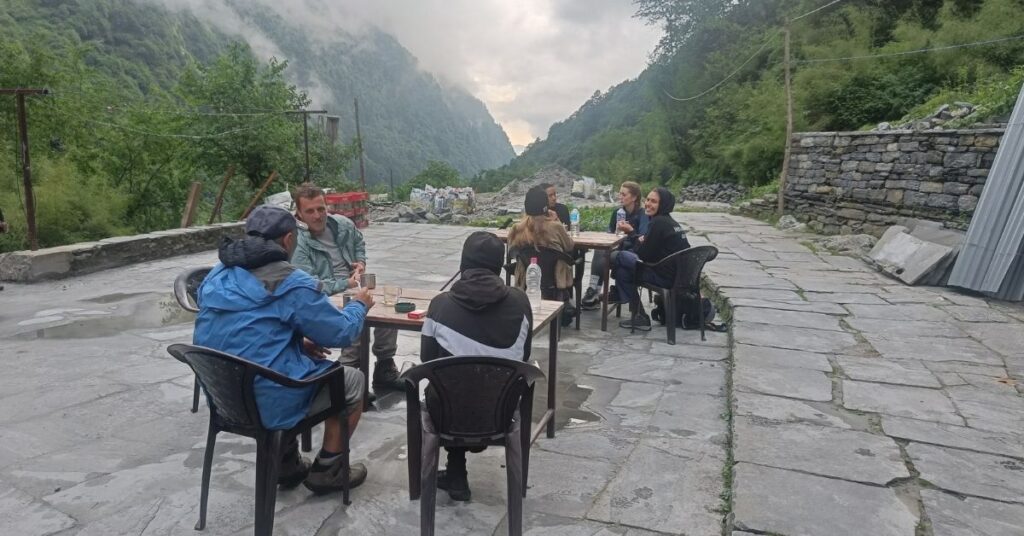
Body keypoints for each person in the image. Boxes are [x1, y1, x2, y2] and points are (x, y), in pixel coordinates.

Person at [193, 205, 375, 493]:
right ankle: (327, 469)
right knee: (352, 381)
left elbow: (243, 326)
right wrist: (359, 305)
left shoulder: (217, 275)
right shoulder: (290, 281)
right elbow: (341, 333)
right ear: (289, 239)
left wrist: (297, 342)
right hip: (267, 400)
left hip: (225, 398)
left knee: (287, 362)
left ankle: (286, 465)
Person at [420, 231, 534, 501]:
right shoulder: (520, 302)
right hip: (500, 412)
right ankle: (457, 471)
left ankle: (456, 470)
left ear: (463, 264)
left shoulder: (439, 305)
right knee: (475, 386)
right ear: (499, 266)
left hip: (447, 415)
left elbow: (427, 359)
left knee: (450, 383)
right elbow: (525, 354)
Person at [290, 183, 403, 395]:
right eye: (310, 211)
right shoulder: (298, 242)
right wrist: (346, 284)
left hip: (351, 285)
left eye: (321, 209)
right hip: (324, 295)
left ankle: (385, 366)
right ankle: (350, 375)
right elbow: (310, 285)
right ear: (299, 214)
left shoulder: (342, 225)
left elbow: (359, 242)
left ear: (327, 206)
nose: (317, 215)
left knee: (387, 306)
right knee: (354, 311)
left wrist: (360, 263)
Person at [614, 187, 690, 329]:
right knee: (622, 270)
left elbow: (643, 255)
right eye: (647, 199)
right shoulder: (670, 222)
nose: (648, 204)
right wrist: (640, 239)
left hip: (665, 277)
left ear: (664, 204)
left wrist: (632, 234)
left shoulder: (658, 223)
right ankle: (636, 313)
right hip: (678, 275)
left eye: (654, 201)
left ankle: (622, 298)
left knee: (619, 257)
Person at [581, 181, 649, 309]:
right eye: (620, 194)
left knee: (603, 254)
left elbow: (642, 239)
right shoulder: (617, 212)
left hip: (633, 253)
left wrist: (629, 231)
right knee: (600, 249)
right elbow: (609, 234)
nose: (620, 197)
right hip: (618, 249)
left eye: (624, 194)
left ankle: (593, 292)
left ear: (634, 197)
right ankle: (593, 289)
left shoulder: (642, 214)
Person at [507, 186, 575, 293]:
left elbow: (511, 251)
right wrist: (557, 220)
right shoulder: (555, 227)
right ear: (546, 206)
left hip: (526, 281)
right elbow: (569, 246)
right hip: (555, 280)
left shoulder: (517, 228)